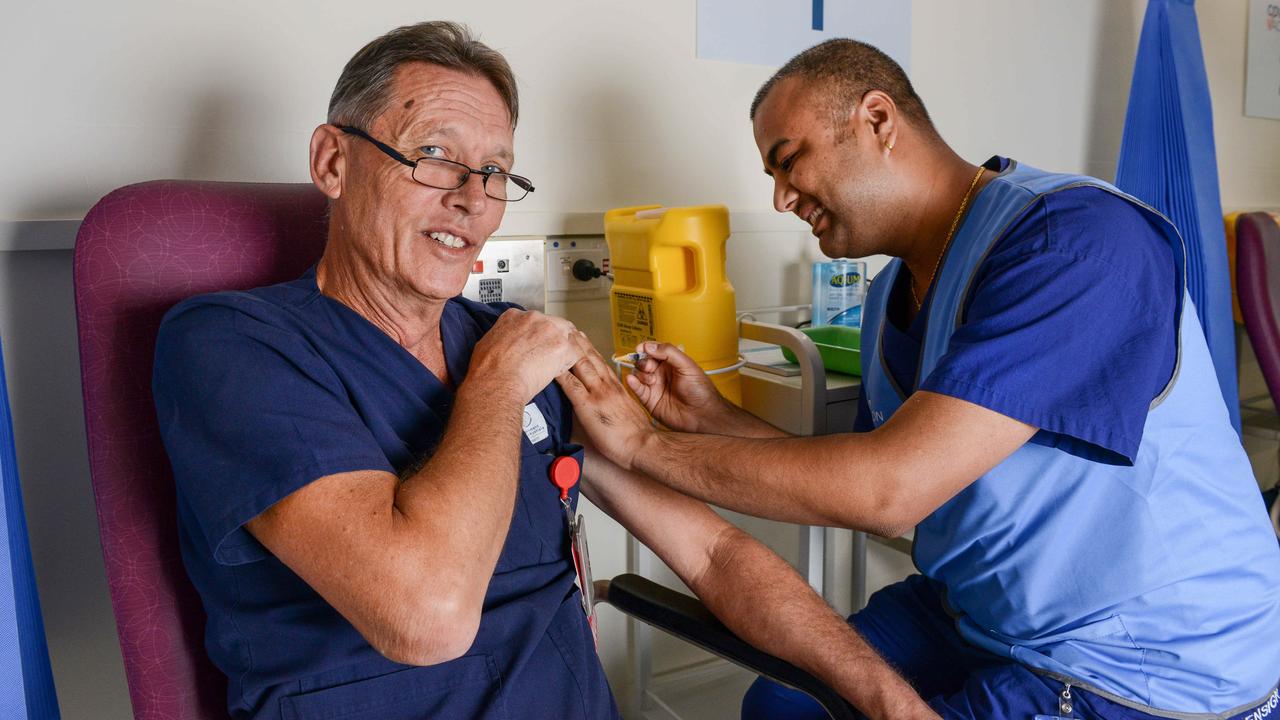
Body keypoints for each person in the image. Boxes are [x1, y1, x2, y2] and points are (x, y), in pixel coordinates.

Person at [152, 23, 939, 720]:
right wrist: (495, 385)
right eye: (434, 155)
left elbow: (712, 553)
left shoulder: (509, 342)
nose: (473, 199)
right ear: (332, 160)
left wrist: (890, 702)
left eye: (497, 173)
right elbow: (426, 617)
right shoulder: (234, 346)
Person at [560, 39, 1280, 719]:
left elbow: (887, 490)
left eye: (789, 162)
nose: (781, 198)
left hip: (1141, 655)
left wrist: (641, 447)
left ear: (877, 119)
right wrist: (710, 418)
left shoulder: (1078, 241)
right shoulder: (890, 297)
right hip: (986, 613)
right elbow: (893, 487)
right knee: (785, 701)